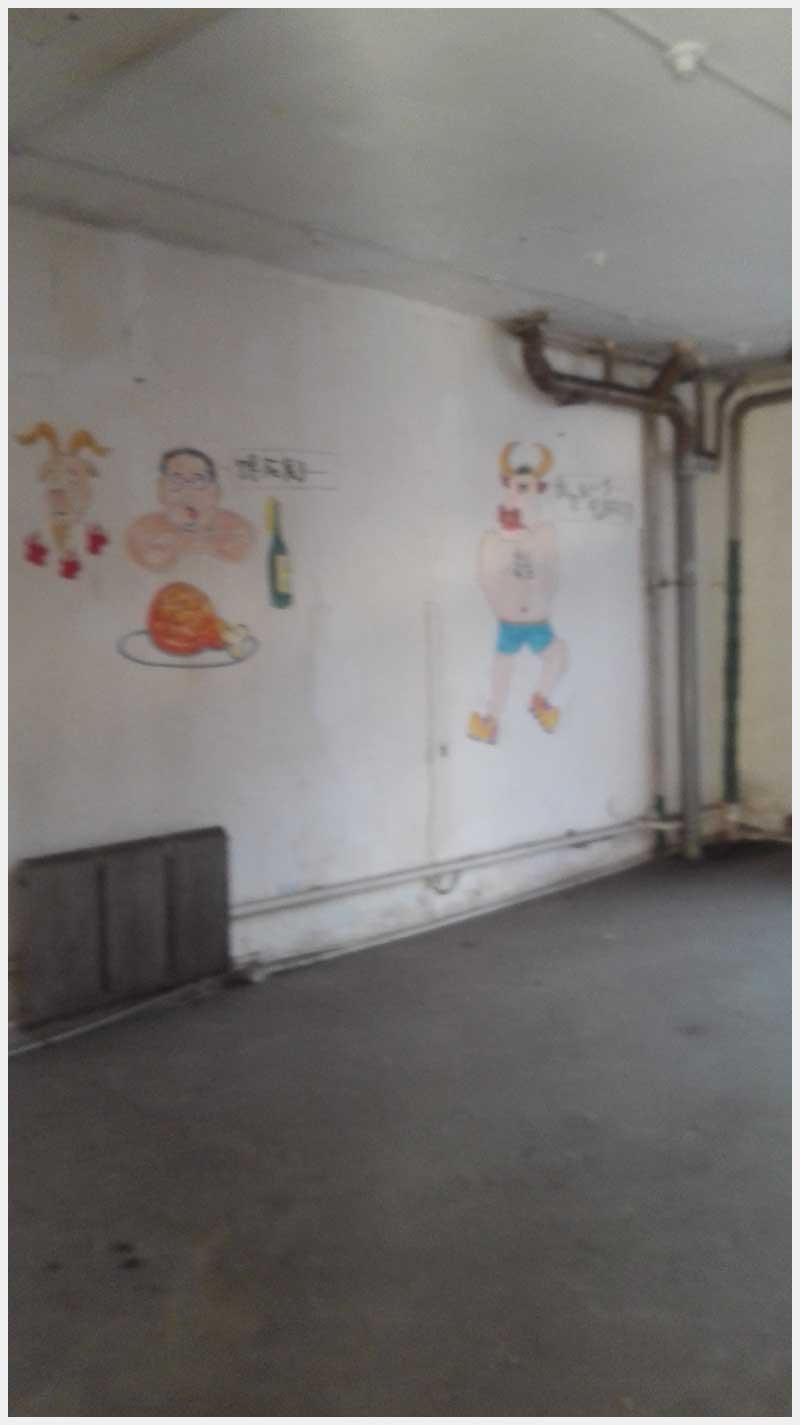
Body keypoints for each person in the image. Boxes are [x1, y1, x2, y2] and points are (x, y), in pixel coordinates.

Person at [468, 441, 568, 744]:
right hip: (528, 617)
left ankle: (493, 719)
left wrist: (506, 605)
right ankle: (536, 702)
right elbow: (548, 574)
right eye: (518, 488)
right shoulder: (513, 538)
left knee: (504, 669)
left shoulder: (531, 536)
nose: (520, 498)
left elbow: (547, 573)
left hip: (519, 618)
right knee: (548, 657)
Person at [126, 448, 254, 570]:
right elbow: (150, 562)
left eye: (198, 480)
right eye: (176, 481)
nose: (188, 491)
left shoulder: (235, 530)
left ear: (216, 491)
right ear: (161, 490)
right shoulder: (144, 530)